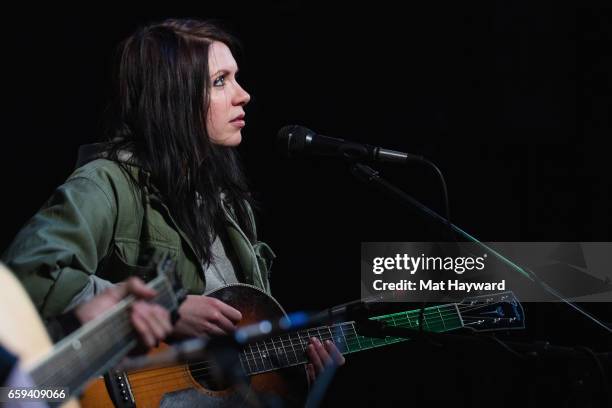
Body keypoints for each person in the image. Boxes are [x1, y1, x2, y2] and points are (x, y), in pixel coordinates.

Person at [2, 18, 344, 401]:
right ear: (174, 96)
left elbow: (238, 360)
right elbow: (23, 281)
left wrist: (291, 376)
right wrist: (165, 312)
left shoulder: (230, 204)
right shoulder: (107, 183)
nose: (243, 94)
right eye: (220, 81)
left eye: (236, 77)